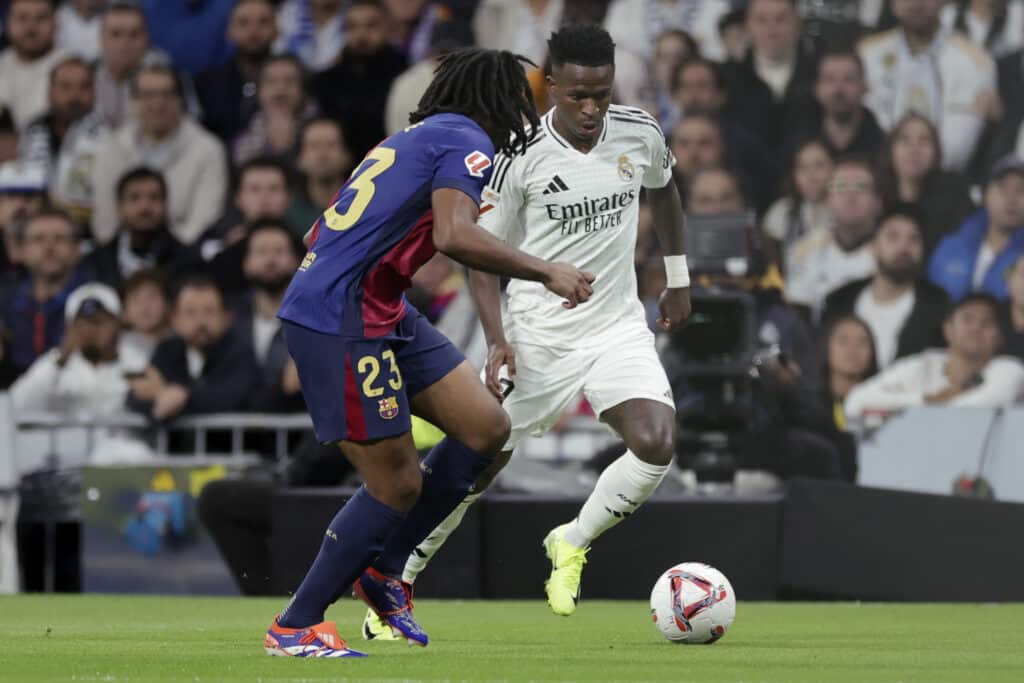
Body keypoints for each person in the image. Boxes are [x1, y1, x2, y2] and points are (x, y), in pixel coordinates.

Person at [362, 24, 690, 642]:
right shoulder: (519, 154)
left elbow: (666, 188)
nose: (591, 108)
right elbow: (480, 250)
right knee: (476, 463)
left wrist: (677, 278)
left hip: (617, 326)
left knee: (656, 441)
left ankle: (573, 539)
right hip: (537, 334)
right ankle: (398, 576)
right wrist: (497, 339)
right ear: (553, 85)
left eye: (601, 92)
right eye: (578, 95)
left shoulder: (639, 131)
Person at [263, 46, 595, 658]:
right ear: (500, 97)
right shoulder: (466, 139)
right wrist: (545, 270)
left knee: (485, 427)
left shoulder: (418, 136)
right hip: (342, 312)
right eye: (529, 96)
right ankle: (295, 625)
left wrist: (495, 337)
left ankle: (385, 571)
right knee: (397, 482)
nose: (533, 111)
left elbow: (326, 230)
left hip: (376, 301)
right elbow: (454, 235)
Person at [91, 64, 229, 245]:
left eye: (167, 95)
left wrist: (167, 255)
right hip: (120, 257)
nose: (157, 104)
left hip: (183, 257)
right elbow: (104, 219)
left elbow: (204, 220)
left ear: (180, 100)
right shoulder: (110, 147)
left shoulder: (208, 149)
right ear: (133, 101)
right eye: (148, 95)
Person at [859, 0, 997, 172]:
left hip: (943, 184)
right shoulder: (865, 55)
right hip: (874, 179)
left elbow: (956, 152)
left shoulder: (975, 62)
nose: (917, 3)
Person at [844, 293, 1024, 418]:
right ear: (948, 330)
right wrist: (924, 399)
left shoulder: (1009, 370)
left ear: (1000, 338)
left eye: (987, 322)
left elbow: (974, 411)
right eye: (967, 319)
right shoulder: (923, 365)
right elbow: (855, 403)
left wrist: (925, 408)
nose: (976, 327)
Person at [821, 210, 950, 368]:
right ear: (873, 247)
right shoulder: (838, 301)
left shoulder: (938, 305)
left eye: (914, 239)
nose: (904, 247)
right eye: (893, 237)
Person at [126, 275, 259, 421]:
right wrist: (163, 396)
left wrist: (183, 397)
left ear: (224, 317)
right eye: (191, 312)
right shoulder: (167, 350)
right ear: (175, 319)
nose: (201, 322)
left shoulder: (240, 352)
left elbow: (232, 395)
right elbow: (135, 396)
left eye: (209, 311)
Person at [785, 158, 881, 316]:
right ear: (828, 200)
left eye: (862, 187)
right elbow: (796, 315)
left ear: (878, 202)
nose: (851, 195)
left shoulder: (891, 251)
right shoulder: (804, 249)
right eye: (841, 187)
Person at [878, 113, 976, 258]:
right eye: (905, 140)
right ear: (891, 150)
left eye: (924, 141)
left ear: (936, 153)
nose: (914, 149)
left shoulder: (955, 195)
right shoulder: (876, 196)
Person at [929, 155, 1024, 301]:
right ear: (985, 195)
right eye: (1002, 188)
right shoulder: (952, 245)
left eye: (1021, 190)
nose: (1011, 199)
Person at [86, 167, 196, 290]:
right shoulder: (97, 262)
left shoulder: (187, 262)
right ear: (119, 208)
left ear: (166, 206)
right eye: (134, 198)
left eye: (154, 198)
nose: (145, 207)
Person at [194, 0, 278, 144]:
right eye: (243, 23)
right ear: (229, 31)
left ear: (277, 31)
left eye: (263, 22)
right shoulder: (207, 84)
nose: (253, 31)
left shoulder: (292, 80)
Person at [762, 139, 833, 277]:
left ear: (834, 168)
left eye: (819, 166)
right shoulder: (780, 212)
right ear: (794, 175)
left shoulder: (846, 210)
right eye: (803, 168)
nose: (811, 176)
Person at [0, 0, 68, 131]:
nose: (31, 27)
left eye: (41, 18)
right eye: (22, 18)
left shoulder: (73, 69)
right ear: (8, 23)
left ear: (56, 23)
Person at [285, 117, 353, 237]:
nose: (323, 154)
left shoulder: (363, 207)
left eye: (331, 145)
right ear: (299, 159)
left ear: (347, 156)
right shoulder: (288, 213)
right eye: (314, 146)